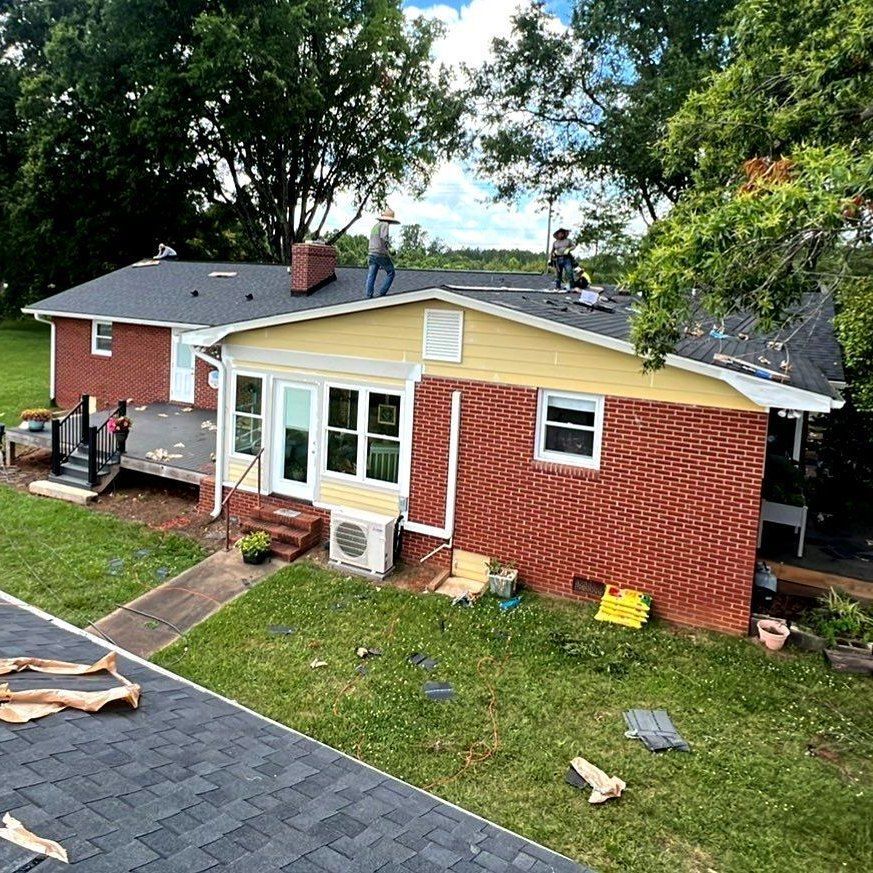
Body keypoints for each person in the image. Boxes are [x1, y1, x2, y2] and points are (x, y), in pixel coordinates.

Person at [365, 208, 400, 298]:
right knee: (391, 272)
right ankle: (382, 293)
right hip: (380, 253)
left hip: (371, 253)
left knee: (371, 274)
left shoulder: (375, 226)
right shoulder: (385, 225)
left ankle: (369, 295)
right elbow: (384, 238)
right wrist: (390, 248)